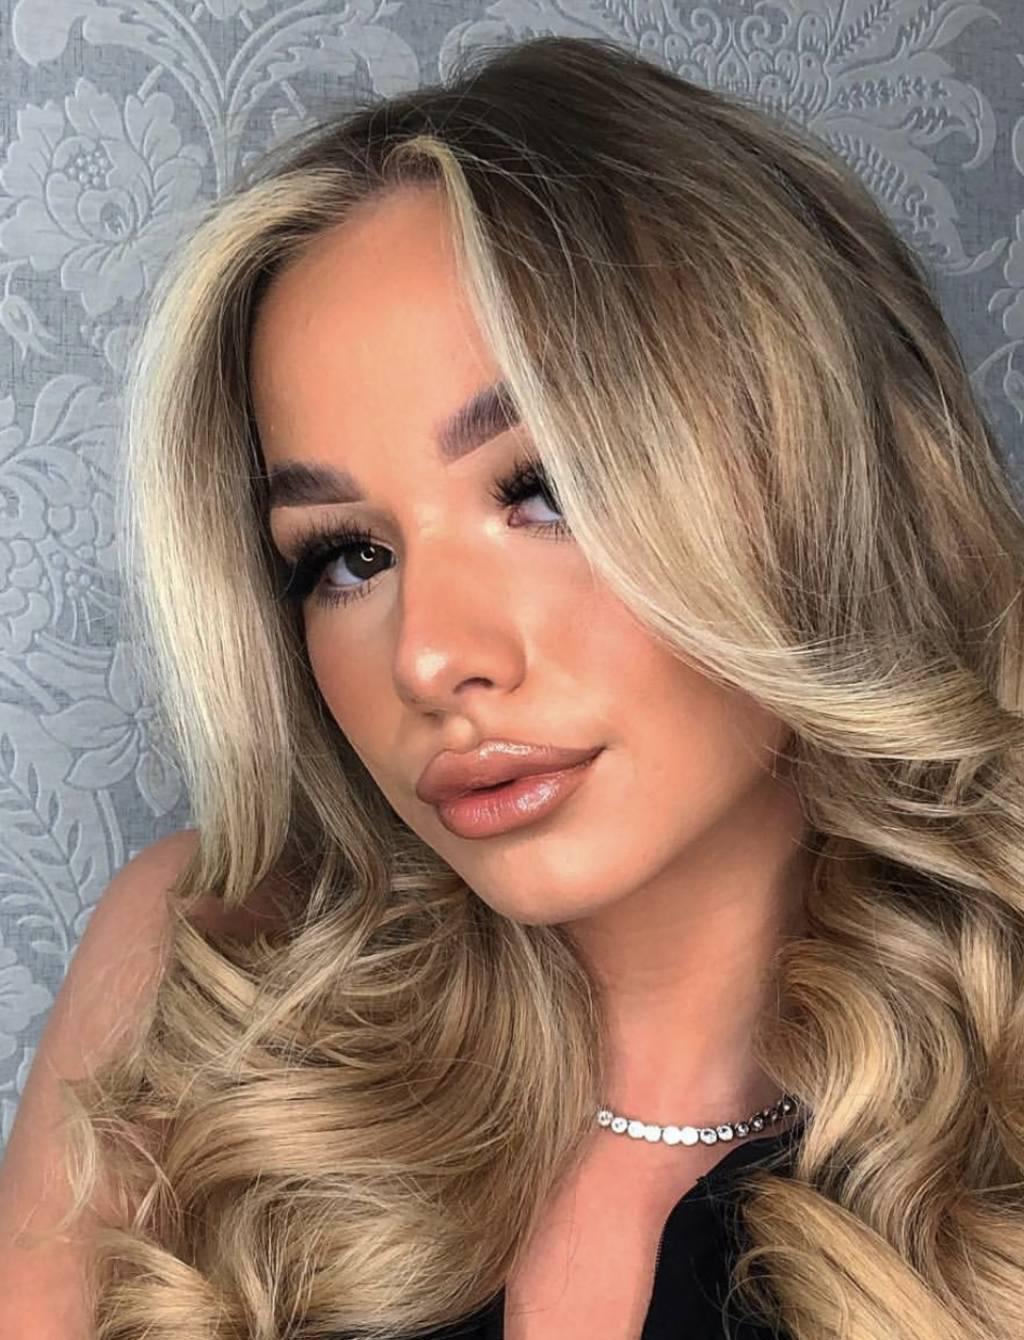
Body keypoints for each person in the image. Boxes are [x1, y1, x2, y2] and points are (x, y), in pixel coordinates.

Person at [1, 32, 1023, 1340]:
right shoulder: (206, 977)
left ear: (817, 470)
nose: (430, 658)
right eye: (347, 557)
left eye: (544, 490)